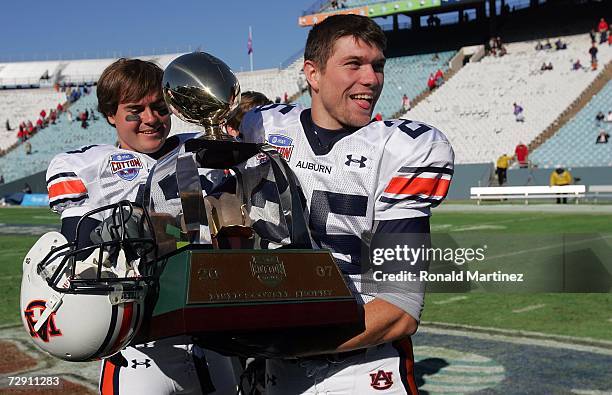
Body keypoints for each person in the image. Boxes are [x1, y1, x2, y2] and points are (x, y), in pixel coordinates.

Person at [241, 14, 454, 394]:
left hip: (365, 369)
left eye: (377, 66)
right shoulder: (264, 129)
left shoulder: (401, 149)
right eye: (353, 64)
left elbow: (400, 307)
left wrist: (292, 344)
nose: (371, 79)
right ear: (313, 73)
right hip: (280, 372)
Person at [44, 58, 237, 395]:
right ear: (110, 114)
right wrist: (170, 231)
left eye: (159, 108)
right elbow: (85, 251)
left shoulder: (202, 149)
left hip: (213, 337)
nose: (150, 119)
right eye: (135, 110)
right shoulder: (87, 164)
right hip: (139, 347)